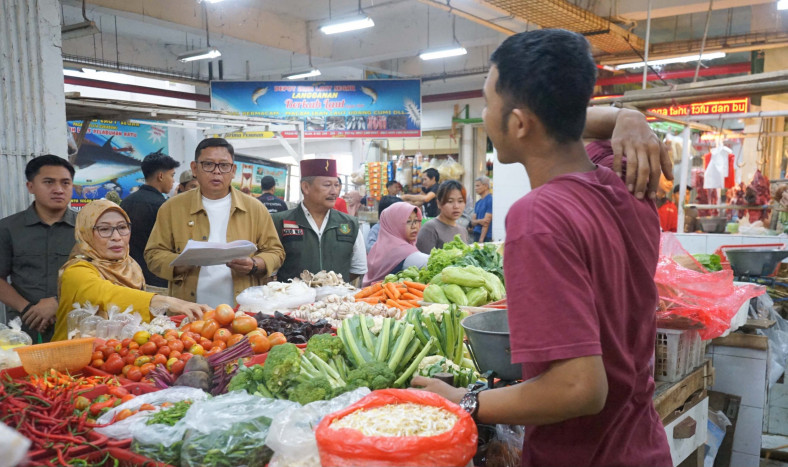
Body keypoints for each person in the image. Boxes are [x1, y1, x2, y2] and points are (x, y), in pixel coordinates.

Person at [410, 29, 672, 467]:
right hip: (641, 442)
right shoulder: (625, 183)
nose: (485, 114)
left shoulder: (539, 217)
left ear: (517, 123)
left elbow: (579, 388)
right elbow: (586, 123)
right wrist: (629, 115)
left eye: (490, 102)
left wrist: (464, 400)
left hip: (585, 455)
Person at [145, 138, 286, 308]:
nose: (217, 171)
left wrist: (255, 265)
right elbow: (153, 254)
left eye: (224, 166)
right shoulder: (172, 208)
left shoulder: (255, 208)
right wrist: (178, 264)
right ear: (194, 168)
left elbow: (276, 251)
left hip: (243, 313)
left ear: (233, 170)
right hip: (188, 311)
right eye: (208, 164)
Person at [53, 200, 208, 341]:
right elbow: (105, 293)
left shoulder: (130, 266)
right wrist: (166, 301)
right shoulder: (75, 271)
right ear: (85, 233)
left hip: (120, 356)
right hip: (73, 360)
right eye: (104, 229)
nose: (116, 237)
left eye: (122, 227)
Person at [0, 155, 77, 343]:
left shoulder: (88, 228)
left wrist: (57, 302)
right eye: (49, 182)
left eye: (65, 183)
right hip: (25, 327)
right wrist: (28, 309)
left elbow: (102, 275)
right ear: (30, 187)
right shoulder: (8, 228)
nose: (58, 189)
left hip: (76, 324)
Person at [272, 159, 367, 282]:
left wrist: (330, 286)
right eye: (327, 185)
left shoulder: (349, 224)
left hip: (334, 299)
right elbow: (270, 269)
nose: (334, 192)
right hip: (294, 300)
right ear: (305, 187)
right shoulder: (279, 222)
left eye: (336, 185)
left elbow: (357, 269)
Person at [120, 152, 180, 288]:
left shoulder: (125, 202)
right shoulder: (163, 207)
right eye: (172, 175)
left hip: (130, 275)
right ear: (161, 176)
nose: (173, 181)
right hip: (157, 278)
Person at [363, 203, 429, 286]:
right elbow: (429, 263)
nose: (414, 226)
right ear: (393, 225)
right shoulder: (402, 251)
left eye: (416, 220)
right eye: (408, 221)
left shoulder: (379, 247)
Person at [416, 180, 469, 253]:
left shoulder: (463, 231)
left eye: (460, 201)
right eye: (450, 201)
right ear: (439, 203)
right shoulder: (430, 229)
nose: (456, 206)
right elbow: (423, 261)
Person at [471, 175, 493, 242]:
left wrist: (481, 240)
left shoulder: (490, 200)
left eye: (478, 186)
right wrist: (480, 221)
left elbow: (486, 223)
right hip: (476, 234)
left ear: (486, 186)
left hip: (485, 237)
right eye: (475, 186)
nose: (475, 188)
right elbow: (472, 222)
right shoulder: (478, 203)